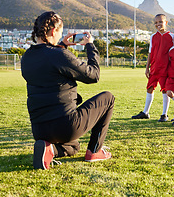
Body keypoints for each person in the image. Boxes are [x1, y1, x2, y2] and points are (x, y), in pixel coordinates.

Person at [21, 11, 115, 170]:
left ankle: (49, 149)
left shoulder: (27, 57)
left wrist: (62, 46)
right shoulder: (59, 54)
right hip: (66, 125)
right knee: (108, 98)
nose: (60, 36)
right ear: (53, 31)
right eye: (60, 32)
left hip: (39, 130)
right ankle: (94, 151)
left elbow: (48, 63)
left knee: (74, 146)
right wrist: (90, 46)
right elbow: (93, 75)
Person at [131, 14, 174, 122]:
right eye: (155, 23)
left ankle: (164, 114)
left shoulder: (172, 36)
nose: (158, 24)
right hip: (154, 68)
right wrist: (147, 68)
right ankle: (145, 112)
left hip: (165, 68)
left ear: (166, 23)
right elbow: (150, 53)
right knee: (149, 88)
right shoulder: (152, 37)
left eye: (160, 22)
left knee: (164, 90)